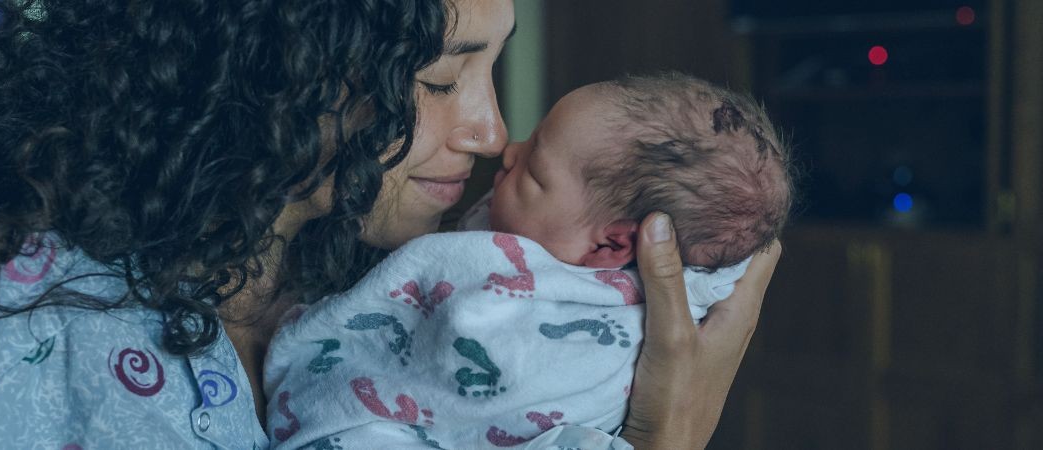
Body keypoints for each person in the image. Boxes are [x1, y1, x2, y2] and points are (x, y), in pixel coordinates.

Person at [0, 0, 781, 448]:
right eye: (441, 79)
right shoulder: (64, 312)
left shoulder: (382, 266)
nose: (490, 133)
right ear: (286, 63)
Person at [263, 73, 792, 448]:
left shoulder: (599, 330)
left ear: (610, 246)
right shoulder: (538, 238)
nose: (506, 149)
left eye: (535, 170)